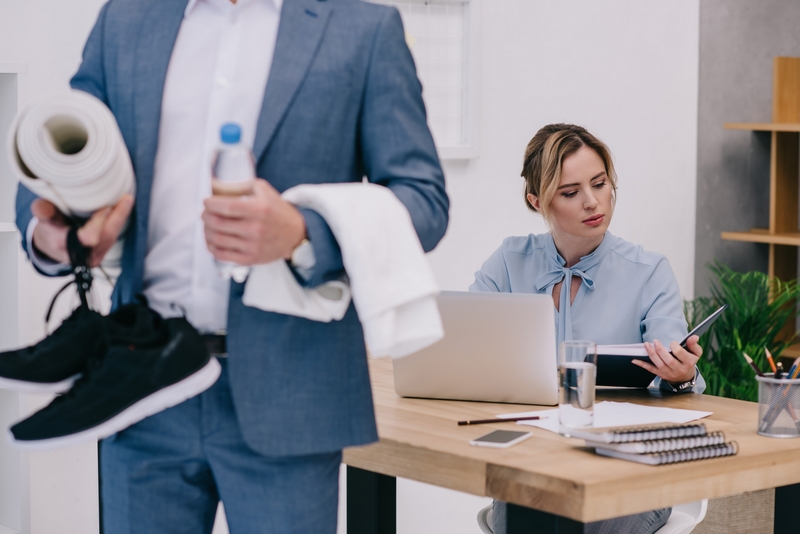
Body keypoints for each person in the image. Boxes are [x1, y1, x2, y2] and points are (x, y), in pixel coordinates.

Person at [15, 0, 449, 532]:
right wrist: (52, 235)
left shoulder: (363, 28)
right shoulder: (125, 19)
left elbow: (423, 200)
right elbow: (58, 148)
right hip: (139, 387)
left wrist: (302, 230)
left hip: (291, 392)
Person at [470, 123, 704, 534]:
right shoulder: (509, 261)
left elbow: (678, 377)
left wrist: (681, 376)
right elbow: (465, 347)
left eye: (600, 183)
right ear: (536, 200)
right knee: (529, 509)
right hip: (532, 467)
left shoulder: (649, 272)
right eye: (570, 192)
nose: (593, 202)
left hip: (626, 474)